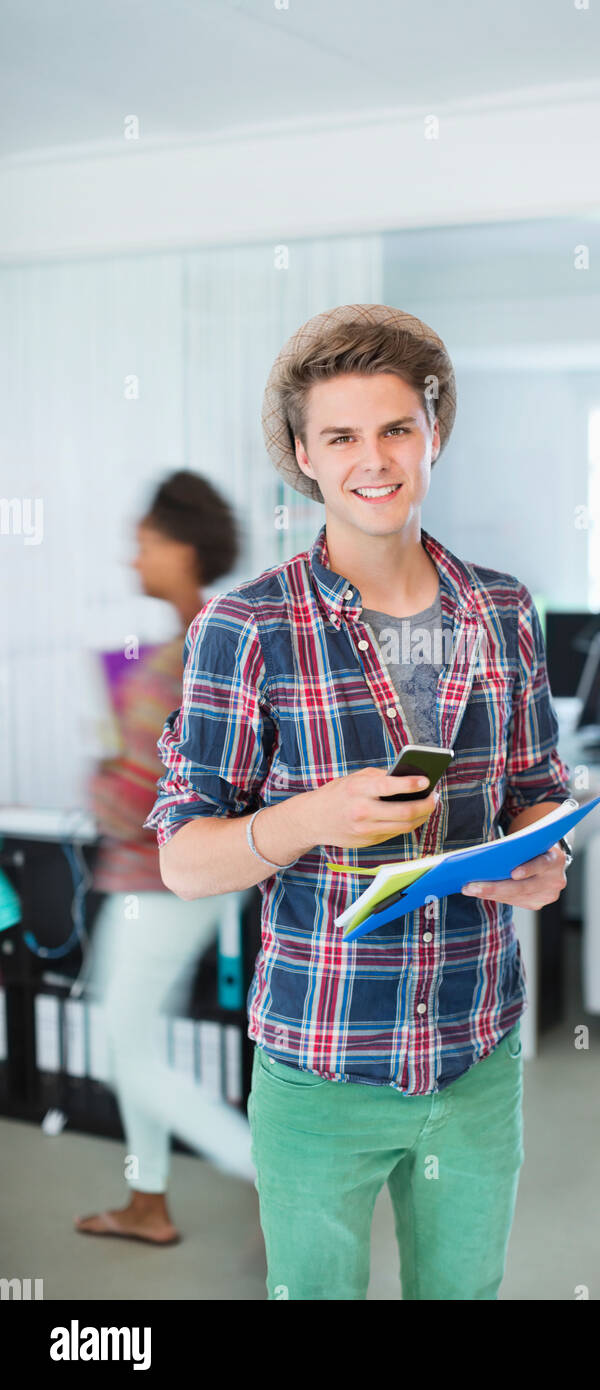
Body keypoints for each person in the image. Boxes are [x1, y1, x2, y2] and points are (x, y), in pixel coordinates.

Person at [143, 303, 575, 1300]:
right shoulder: (243, 629)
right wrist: (306, 819)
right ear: (303, 451)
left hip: (475, 1054)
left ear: (433, 435)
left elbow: (536, 795)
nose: (372, 458)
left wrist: (539, 858)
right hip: (320, 1063)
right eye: (340, 434)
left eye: (395, 428)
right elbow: (181, 856)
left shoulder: (503, 610)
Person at [75, 470, 256, 1249]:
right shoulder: (202, 640)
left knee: (122, 1047)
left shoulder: (190, 654)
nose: (132, 560)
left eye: (144, 543)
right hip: (183, 881)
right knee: (130, 1040)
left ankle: (265, 1167)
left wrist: (102, 767)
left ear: (182, 549)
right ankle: (148, 1201)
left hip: (163, 885)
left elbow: (143, 797)